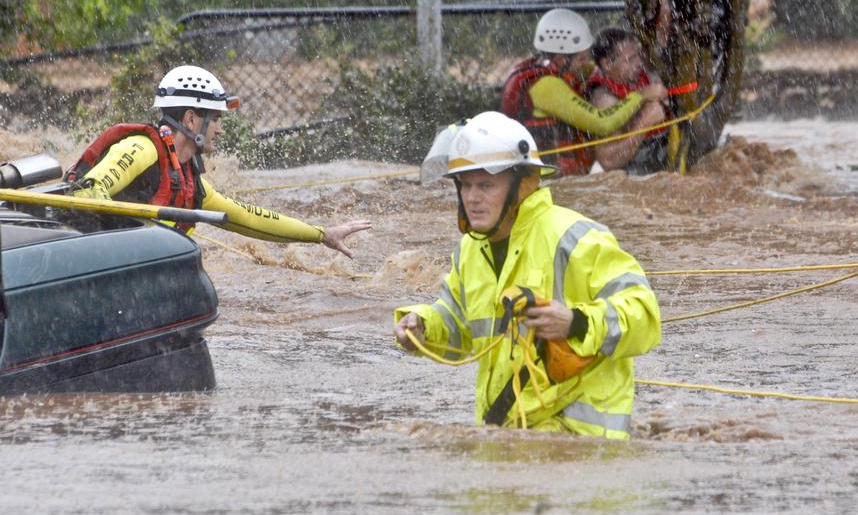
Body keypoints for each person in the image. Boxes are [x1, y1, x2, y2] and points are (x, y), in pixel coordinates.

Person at [393, 111, 661, 439]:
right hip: (508, 437)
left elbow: (645, 315)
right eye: (466, 185)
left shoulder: (575, 237)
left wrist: (575, 322)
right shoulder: (469, 251)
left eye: (486, 185)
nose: (472, 197)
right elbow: (458, 327)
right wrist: (422, 327)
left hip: (584, 451)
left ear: (522, 185)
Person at [67, 65, 371, 256]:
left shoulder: (188, 180)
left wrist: (322, 235)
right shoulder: (141, 149)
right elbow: (86, 191)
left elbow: (246, 217)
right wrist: (143, 224)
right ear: (190, 119)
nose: (220, 129)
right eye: (215, 119)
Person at [500, 8, 667, 175]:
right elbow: (602, 123)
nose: (586, 63)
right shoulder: (546, 86)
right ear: (561, 59)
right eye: (581, 59)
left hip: (558, 174)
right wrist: (642, 95)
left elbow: (596, 68)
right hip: (545, 178)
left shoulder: (552, 69)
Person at [586, 26, 671, 174]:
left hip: (661, 157)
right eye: (631, 59)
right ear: (607, 64)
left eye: (638, 55)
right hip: (635, 175)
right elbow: (608, 161)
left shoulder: (637, 75)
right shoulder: (605, 99)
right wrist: (645, 122)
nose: (639, 63)